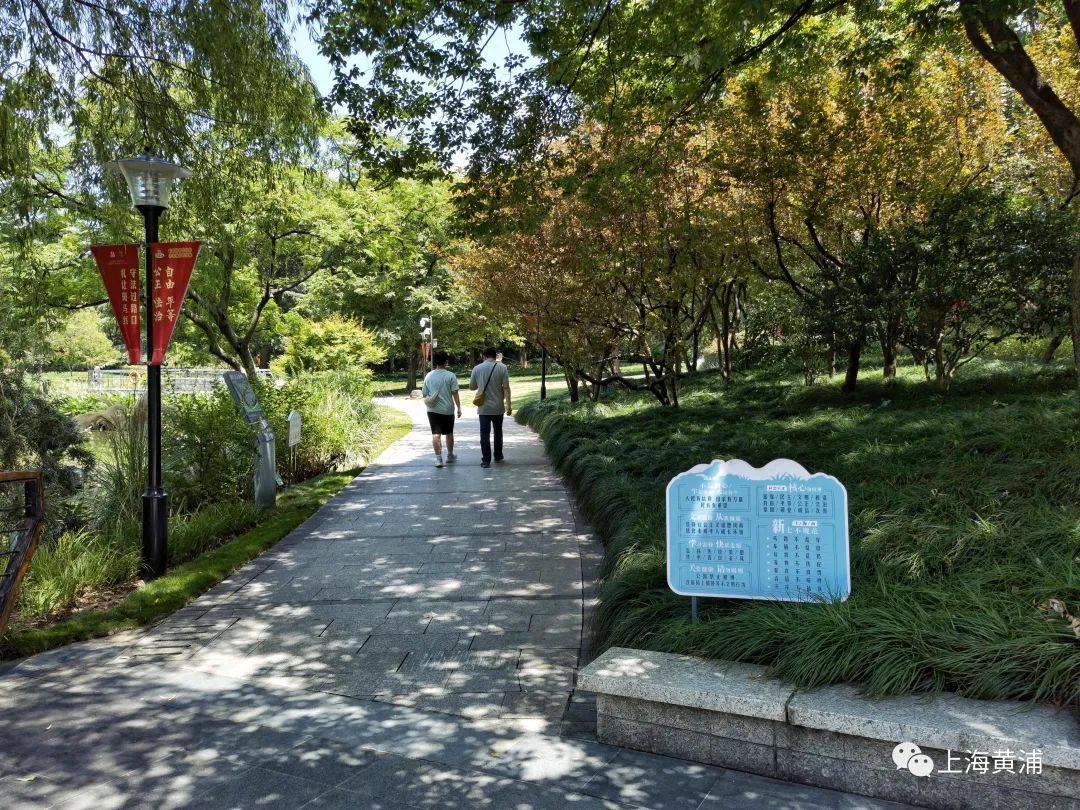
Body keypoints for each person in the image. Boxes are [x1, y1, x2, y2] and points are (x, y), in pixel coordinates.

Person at [469, 346, 512, 468]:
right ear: (495, 356)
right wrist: (509, 405)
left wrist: (481, 383)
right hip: (498, 406)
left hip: (483, 407)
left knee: (484, 434)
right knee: (498, 432)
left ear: (483, 356)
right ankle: (498, 456)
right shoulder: (502, 368)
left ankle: (486, 460)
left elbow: (472, 387)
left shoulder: (477, 368)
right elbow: (506, 387)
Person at [422, 350, 462, 468]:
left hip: (432, 410)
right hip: (447, 409)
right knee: (449, 433)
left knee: (436, 434)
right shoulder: (450, 376)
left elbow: (424, 393)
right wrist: (459, 408)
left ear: (435, 362)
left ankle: (439, 460)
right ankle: (450, 455)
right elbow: (455, 393)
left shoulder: (428, 376)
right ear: (446, 361)